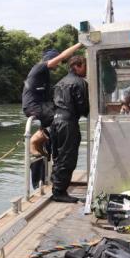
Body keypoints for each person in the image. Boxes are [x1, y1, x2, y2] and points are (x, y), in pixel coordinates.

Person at [22, 42, 83, 155]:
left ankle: (42, 144)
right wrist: (79, 44)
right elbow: (63, 56)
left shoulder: (45, 75)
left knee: (66, 115)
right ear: (51, 59)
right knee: (63, 118)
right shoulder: (39, 68)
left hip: (42, 106)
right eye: (57, 61)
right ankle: (34, 141)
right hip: (33, 106)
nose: (59, 64)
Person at [50, 55, 89, 203]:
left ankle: (56, 187)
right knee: (68, 157)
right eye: (85, 66)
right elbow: (83, 107)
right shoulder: (79, 83)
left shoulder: (59, 82)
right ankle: (59, 192)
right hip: (68, 122)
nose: (86, 69)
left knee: (58, 156)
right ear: (77, 66)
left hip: (55, 122)